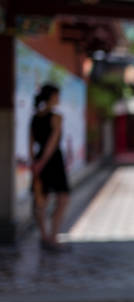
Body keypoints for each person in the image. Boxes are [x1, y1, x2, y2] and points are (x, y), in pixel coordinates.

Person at [29, 84, 70, 251]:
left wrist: (35, 162)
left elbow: (30, 144)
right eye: (57, 95)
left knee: (42, 199)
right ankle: (53, 236)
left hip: (39, 161)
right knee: (62, 198)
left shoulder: (35, 117)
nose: (58, 99)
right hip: (52, 161)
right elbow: (52, 143)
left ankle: (44, 236)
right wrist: (43, 162)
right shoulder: (56, 117)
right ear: (52, 97)